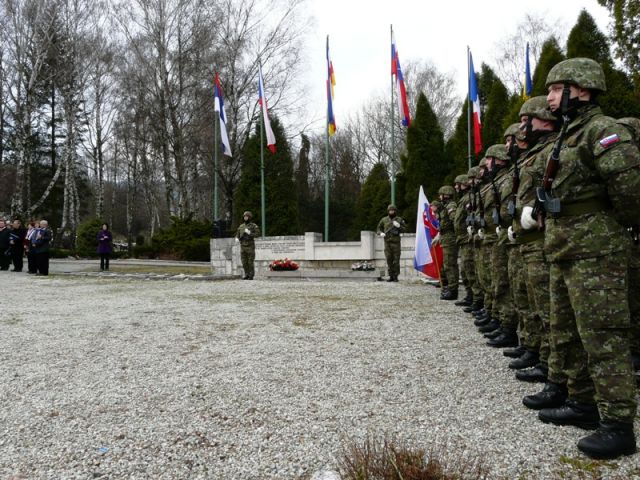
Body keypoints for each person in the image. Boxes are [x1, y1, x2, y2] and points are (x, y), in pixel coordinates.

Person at [535, 57, 640, 459]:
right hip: (567, 248)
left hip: (596, 251)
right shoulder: (569, 135)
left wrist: (615, 229)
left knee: (603, 338)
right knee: (570, 333)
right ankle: (582, 403)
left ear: (581, 89)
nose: (550, 97)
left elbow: (630, 191)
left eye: (555, 89)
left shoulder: (603, 130)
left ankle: (618, 425)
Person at [436, 185, 459, 300]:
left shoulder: (451, 206)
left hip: (450, 238)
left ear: (446, 195)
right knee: (447, 264)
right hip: (445, 237)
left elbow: (455, 220)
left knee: (450, 264)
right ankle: (449, 287)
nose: (439, 197)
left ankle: (453, 289)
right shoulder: (445, 206)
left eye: (441, 195)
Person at [377, 204, 406, 282]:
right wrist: (380, 233)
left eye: (393, 210)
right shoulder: (384, 219)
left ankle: (396, 276)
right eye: (390, 210)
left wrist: (399, 226)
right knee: (389, 259)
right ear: (388, 211)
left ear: (395, 211)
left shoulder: (399, 219)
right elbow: (378, 228)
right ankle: (391, 276)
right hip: (387, 242)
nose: (391, 212)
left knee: (396, 260)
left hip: (396, 243)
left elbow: (404, 229)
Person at [235, 211, 260, 280]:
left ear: (249, 217)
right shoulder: (241, 226)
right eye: (244, 217)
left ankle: (251, 275)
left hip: (250, 246)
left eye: (247, 217)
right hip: (242, 246)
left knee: (250, 262)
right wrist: (236, 238)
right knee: (244, 262)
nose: (245, 218)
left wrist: (250, 233)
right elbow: (237, 234)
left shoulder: (253, 226)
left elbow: (257, 234)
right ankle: (246, 274)